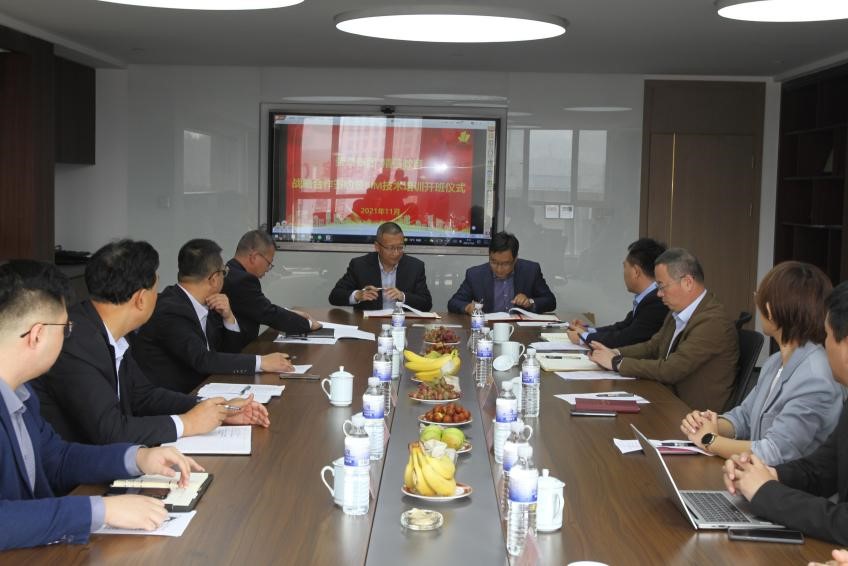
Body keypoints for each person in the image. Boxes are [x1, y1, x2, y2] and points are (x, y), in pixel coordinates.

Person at [0, 260, 203, 550]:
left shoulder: (22, 392)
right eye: (65, 329)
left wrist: (137, 458)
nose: (67, 338)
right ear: (37, 335)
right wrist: (101, 511)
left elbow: (57, 458)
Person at [33, 240, 269, 446]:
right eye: (156, 288)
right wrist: (187, 423)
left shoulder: (108, 331)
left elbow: (144, 395)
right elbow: (110, 430)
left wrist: (217, 410)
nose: (159, 295)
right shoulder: (76, 342)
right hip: (79, 476)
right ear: (140, 299)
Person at [723, 281, 848, 545]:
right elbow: (822, 469)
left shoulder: (815, 374)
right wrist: (767, 474)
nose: (824, 344)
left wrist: (765, 492)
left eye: (827, 336)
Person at [679, 262, 842, 464]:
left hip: (785, 481)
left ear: (771, 309)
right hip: (757, 474)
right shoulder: (775, 361)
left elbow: (774, 451)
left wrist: (710, 440)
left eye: (759, 297)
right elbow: (744, 417)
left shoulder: (815, 378)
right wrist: (707, 423)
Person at [134, 238, 293, 394]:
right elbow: (202, 359)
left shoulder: (207, 304)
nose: (225, 277)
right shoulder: (170, 310)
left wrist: (229, 319)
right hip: (174, 399)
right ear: (214, 279)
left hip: (206, 389)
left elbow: (227, 354)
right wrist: (261, 362)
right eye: (224, 272)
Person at [590, 248, 738, 411]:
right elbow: (653, 347)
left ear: (687, 282)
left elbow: (672, 369)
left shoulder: (713, 322)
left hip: (692, 413)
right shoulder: (678, 311)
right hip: (666, 397)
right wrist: (615, 352)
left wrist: (616, 363)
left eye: (662, 286)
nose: (659, 294)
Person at [223, 230, 321, 349]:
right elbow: (267, 313)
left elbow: (259, 306)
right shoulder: (242, 280)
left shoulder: (230, 270)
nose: (268, 269)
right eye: (268, 263)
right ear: (254, 257)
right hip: (237, 352)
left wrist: (290, 313)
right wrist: (308, 324)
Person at [568, 237, 668, 348]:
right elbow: (623, 327)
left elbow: (628, 338)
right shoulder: (648, 297)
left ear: (636, 272)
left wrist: (584, 338)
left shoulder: (657, 301)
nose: (623, 273)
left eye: (625, 267)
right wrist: (588, 331)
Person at [328, 221, 432, 311]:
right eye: (391, 248)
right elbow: (334, 296)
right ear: (377, 247)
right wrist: (358, 295)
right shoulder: (360, 265)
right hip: (369, 324)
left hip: (401, 324)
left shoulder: (415, 267)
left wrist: (403, 296)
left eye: (400, 247)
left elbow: (427, 303)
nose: (396, 253)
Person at [447, 231, 556, 315]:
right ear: (489, 255)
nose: (499, 269)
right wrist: (468, 307)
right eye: (493, 262)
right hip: (488, 328)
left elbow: (550, 301)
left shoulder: (531, 270)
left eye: (505, 264)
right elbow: (454, 303)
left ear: (515, 259)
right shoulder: (475, 275)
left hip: (520, 330)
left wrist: (530, 302)